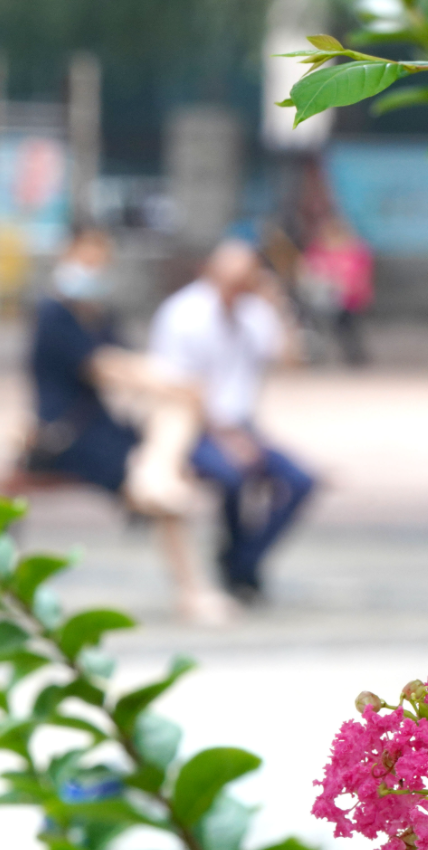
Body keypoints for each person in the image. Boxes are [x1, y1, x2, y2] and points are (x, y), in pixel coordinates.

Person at [27, 228, 233, 624]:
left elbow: (125, 359)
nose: (93, 269)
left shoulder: (99, 314)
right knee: (165, 495)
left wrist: (170, 388)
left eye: (99, 261)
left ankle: (156, 478)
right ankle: (192, 589)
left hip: (102, 428)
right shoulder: (54, 314)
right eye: (86, 260)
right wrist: (174, 384)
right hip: (67, 437)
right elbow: (108, 367)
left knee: (171, 430)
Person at [149, 239, 316, 602]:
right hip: (193, 428)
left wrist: (280, 307)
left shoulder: (255, 313)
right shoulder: (184, 314)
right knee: (232, 475)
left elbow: (290, 360)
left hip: (242, 426)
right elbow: (175, 386)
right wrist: (225, 435)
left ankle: (243, 560)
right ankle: (238, 568)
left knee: (301, 481)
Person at [298, 217, 374, 366]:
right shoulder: (317, 250)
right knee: (309, 317)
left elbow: (359, 279)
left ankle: (355, 356)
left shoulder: (356, 251)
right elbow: (306, 270)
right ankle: (314, 353)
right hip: (322, 298)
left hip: (351, 299)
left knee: (345, 323)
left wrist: (341, 286)